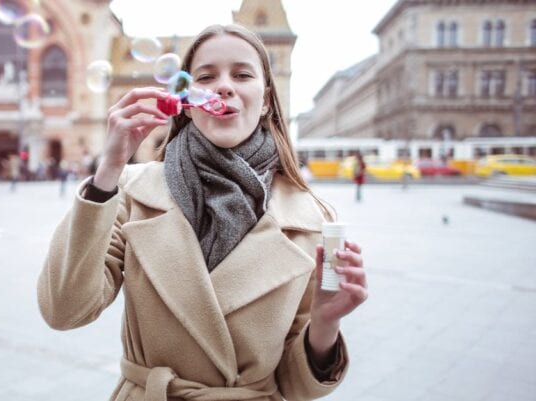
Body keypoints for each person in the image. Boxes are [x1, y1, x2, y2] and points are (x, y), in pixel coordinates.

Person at [38, 24, 367, 401]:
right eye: (206, 77)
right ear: (187, 105)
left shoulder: (311, 218)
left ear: (265, 102)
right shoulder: (130, 190)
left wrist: (325, 324)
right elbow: (64, 311)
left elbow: (294, 385)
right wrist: (109, 168)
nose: (223, 86)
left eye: (242, 74)